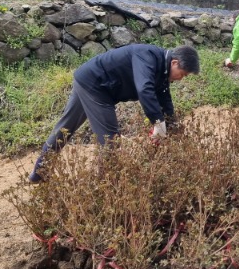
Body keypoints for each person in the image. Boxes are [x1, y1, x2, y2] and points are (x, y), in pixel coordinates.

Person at [28, 44, 200, 183]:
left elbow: (165, 99)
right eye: (183, 74)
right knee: (110, 139)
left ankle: (38, 174)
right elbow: (144, 88)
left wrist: (171, 126)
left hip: (87, 80)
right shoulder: (147, 55)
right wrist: (157, 121)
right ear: (175, 62)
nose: (181, 78)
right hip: (96, 86)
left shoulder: (162, 71)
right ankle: (107, 187)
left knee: (64, 129)